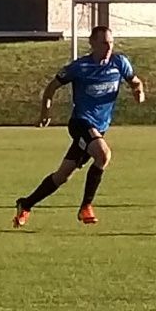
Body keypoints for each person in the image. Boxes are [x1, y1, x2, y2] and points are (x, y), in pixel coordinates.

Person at [13, 26, 145, 228]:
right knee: (103, 155)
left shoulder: (119, 63)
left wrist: (138, 92)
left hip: (99, 129)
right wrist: (45, 113)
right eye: (104, 43)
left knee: (62, 176)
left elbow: (136, 82)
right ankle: (86, 207)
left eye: (111, 43)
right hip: (80, 123)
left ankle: (26, 204)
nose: (108, 47)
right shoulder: (80, 67)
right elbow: (51, 87)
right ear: (92, 43)